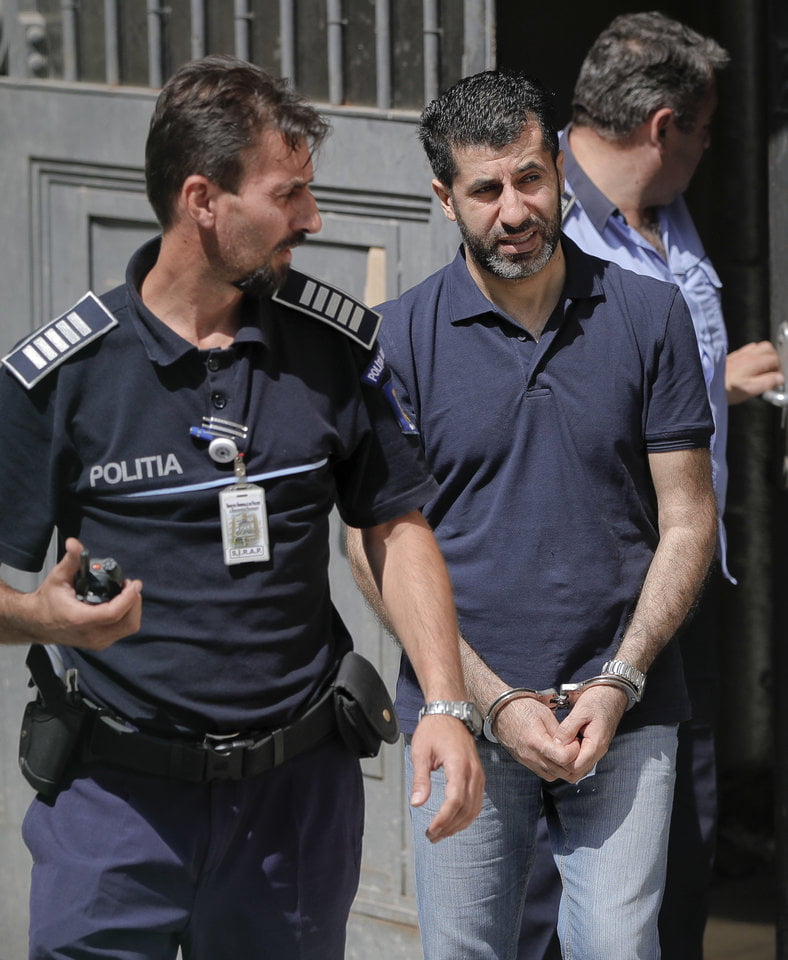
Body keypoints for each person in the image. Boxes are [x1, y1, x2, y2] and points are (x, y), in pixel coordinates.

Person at [0, 54, 483, 960]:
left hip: (291, 807)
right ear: (203, 200)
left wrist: (448, 707)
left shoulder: (333, 349)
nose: (313, 216)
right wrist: (39, 617)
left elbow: (395, 525)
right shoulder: (64, 377)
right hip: (116, 804)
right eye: (288, 193)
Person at [346, 69, 718, 960]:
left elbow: (689, 518)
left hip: (623, 708)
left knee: (617, 948)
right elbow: (374, 546)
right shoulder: (396, 341)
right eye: (485, 190)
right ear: (445, 198)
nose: (514, 210)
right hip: (463, 714)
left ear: (555, 166)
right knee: (465, 950)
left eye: (529, 178)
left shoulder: (649, 315)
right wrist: (488, 699)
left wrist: (620, 679)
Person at [518, 14, 785, 959]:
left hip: (687, 575)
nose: (710, 151)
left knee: (683, 840)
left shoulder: (664, 213)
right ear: (664, 126)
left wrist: (720, 382)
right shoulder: (536, 218)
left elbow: (657, 372)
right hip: (592, 586)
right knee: (574, 846)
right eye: (704, 131)